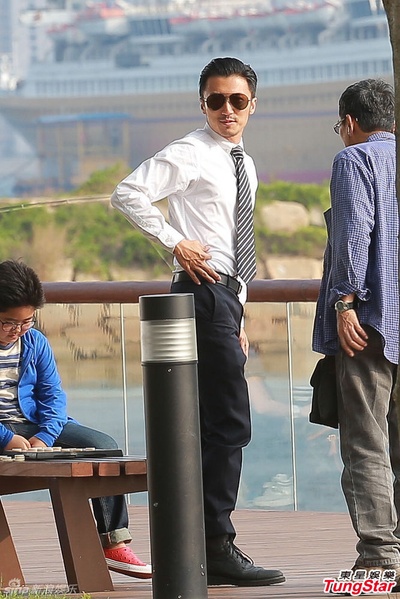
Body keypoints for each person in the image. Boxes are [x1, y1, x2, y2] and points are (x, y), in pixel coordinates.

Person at [111, 56, 285, 587]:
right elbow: (127, 192)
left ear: (252, 105)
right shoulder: (190, 151)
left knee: (215, 421)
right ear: (202, 103)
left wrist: (240, 315)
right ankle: (214, 543)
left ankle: (202, 542)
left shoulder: (243, 162)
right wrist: (175, 242)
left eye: (237, 100)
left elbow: (237, 243)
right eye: (216, 100)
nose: (227, 109)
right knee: (227, 421)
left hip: (224, 300)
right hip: (202, 292)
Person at [0, 259, 151, 580]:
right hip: (4, 432)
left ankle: (113, 541)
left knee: (104, 447)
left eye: (26, 321)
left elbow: (53, 398)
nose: (17, 330)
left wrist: (44, 437)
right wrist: (6, 439)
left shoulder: (34, 342)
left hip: (32, 425)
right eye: (8, 322)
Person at [312, 79, 400, 584]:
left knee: (367, 442)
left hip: (372, 326)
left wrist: (344, 303)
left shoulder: (354, 160)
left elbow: (353, 233)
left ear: (349, 123)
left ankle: (379, 558)